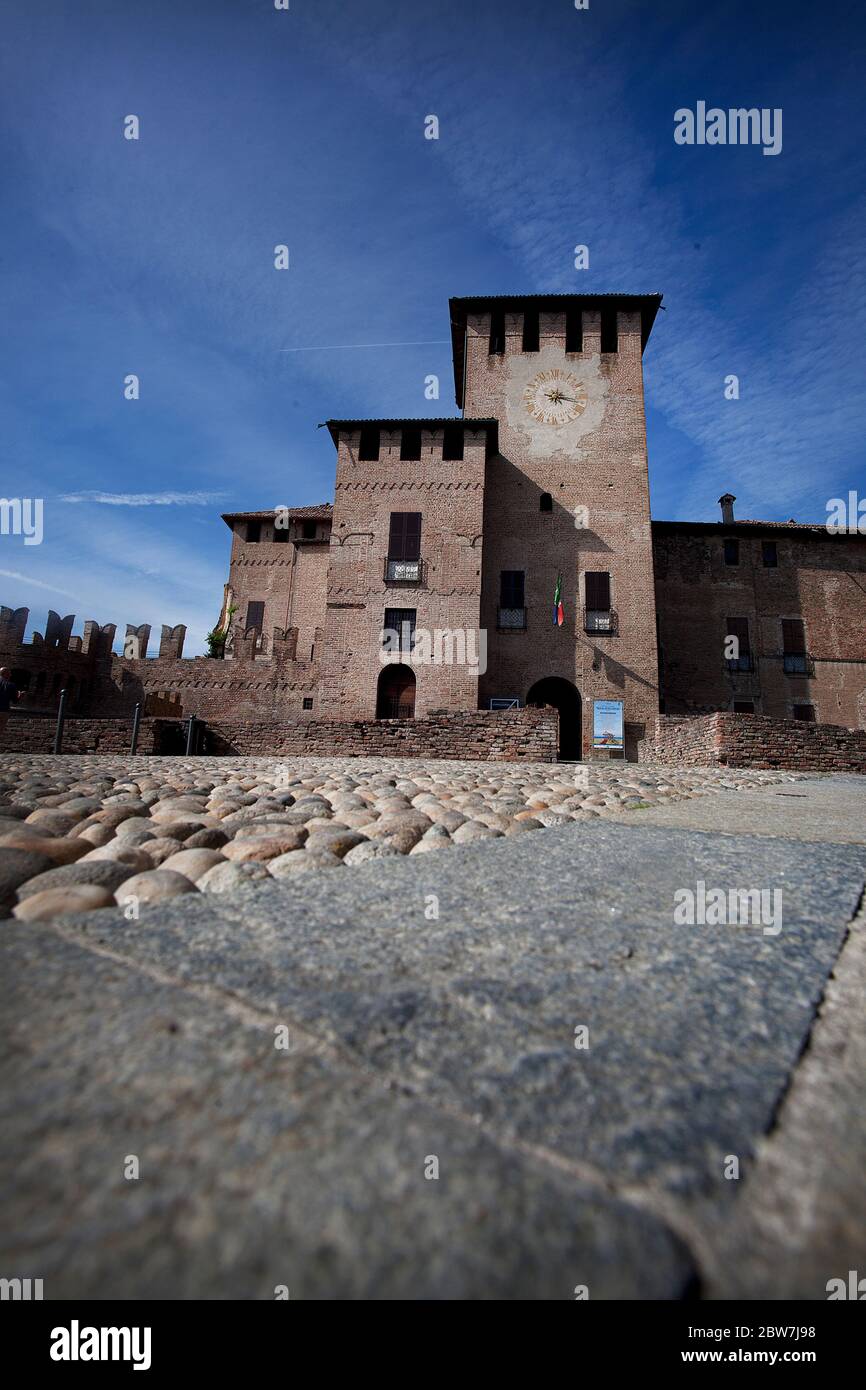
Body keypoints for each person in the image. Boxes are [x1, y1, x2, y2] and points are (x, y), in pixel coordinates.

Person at [0, 667, 24, 741]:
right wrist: (20, 695)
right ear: (5, 674)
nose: (10, 675)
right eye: (9, 673)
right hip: (3, 711)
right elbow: (15, 701)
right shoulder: (11, 685)